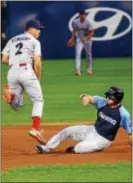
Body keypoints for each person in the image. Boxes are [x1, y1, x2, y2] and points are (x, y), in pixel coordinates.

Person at [35, 86, 132, 154]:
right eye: (107, 96)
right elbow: (89, 98)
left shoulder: (123, 114)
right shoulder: (102, 102)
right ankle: (47, 148)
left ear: (116, 99)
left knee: (79, 148)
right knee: (67, 131)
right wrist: (85, 98)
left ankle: (91, 148)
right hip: (92, 130)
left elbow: (130, 132)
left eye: (109, 97)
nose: (107, 98)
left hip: (103, 140)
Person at [2, 19, 45, 144]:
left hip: (12, 71)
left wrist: (14, 61)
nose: (39, 32)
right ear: (30, 29)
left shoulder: (12, 40)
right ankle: (35, 128)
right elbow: (37, 62)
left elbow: (4, 58)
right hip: (26, 70)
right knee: (38, 99)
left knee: (17, 106)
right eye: (38, 29)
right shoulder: (34, 41)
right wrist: (38, 78)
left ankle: (11, 96)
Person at [67, 10, 94, 76]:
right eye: (81, 15)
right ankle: (77, 70)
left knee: (88, 55)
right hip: (79, 39)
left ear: (85, 15)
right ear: (79, 15)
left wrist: (86, 38)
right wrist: (72, 38)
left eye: (84, 15)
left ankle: (89, 69)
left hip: (87, 40)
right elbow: (74, 31)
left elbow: (92, 32)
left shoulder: (88, 23)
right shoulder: (75, 22)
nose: (83, 16)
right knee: (78, 54)